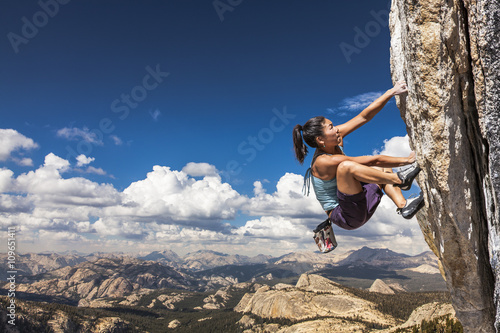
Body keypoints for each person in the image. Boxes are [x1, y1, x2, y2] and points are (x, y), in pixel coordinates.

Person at [292, 81, 424, 232]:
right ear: (320, 140)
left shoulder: (334, 138)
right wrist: (408, 161)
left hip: (359, 201)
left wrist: (391, 92)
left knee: (381, 168)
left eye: (333, 125)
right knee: (346, 167)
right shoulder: (322, 162)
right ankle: (400, 180)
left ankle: (404, 206)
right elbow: (371, 160)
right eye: (331, 128)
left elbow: (364, 117)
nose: (336, 129)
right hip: (346, 215)